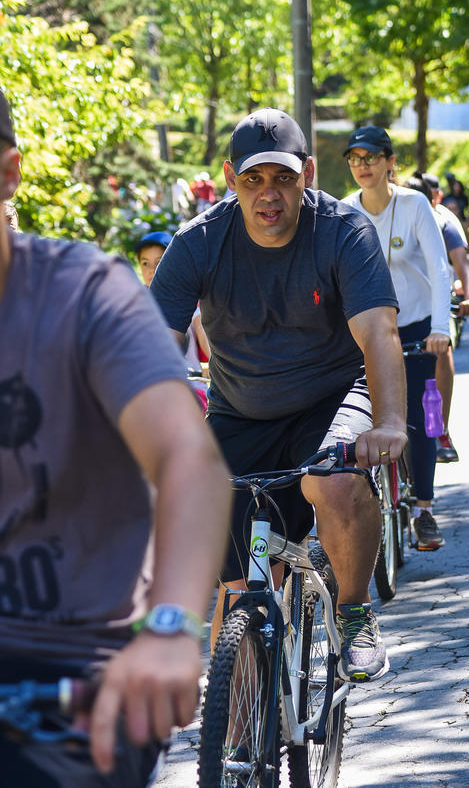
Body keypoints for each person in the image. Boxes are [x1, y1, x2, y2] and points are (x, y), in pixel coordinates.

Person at [0, 89, 232, 786]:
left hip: (73, 667)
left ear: (8, 175)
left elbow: (188, 456)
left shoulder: (85, 295)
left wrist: (170, 628)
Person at [151, 108, 408, 683]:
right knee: (239, 586)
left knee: (333, 479)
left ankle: (354, 611)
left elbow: (379, 334)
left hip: (334, 397)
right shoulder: (198, 243)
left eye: (284, 178)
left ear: (308, 174)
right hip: (241, 412)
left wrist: (390, 423)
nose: (269, 194)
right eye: (253, 179)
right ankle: (239, 747)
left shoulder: (344, 231)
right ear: (229, 178)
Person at [342, 127, 450, 551]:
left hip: (418, 328)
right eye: (354, 158)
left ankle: (423, 507)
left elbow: (440, 269)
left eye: (371, 157)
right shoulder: (345, 211)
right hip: (367, 330)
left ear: (391, 162)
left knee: (421, 422)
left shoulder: (414, 204)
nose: (362, 165)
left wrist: (441, 329)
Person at [421, 173, 469, 462]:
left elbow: (462, 264)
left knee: (442, 350)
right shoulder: (388, 215)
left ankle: (441, 429)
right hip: (398, 304)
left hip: (438, 301)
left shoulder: (444, 221)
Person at [136, 231, 210, 373]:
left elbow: (201, 328)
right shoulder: (135, 301)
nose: (152, 270)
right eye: (145, 263)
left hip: (189, 377)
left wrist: (214, 363)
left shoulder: (185, 295)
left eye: (159, 262)